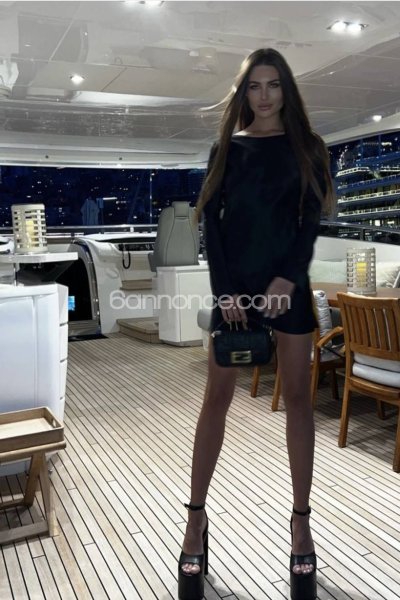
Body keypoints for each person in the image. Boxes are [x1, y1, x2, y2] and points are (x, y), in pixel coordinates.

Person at [178, 48, 334, 600]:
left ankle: (300, 524)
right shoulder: (227, 148)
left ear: (286, 90)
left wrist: (288, 278)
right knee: (216, 399)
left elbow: (309, 221)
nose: (264, 95)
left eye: (273, 85)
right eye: (254, 86)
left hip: (288, 287)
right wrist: (226, 291)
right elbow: (212, 226)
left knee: (298, 400)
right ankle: (195, 519)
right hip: (237, 290)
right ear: (244, 93)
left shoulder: (309, 148)